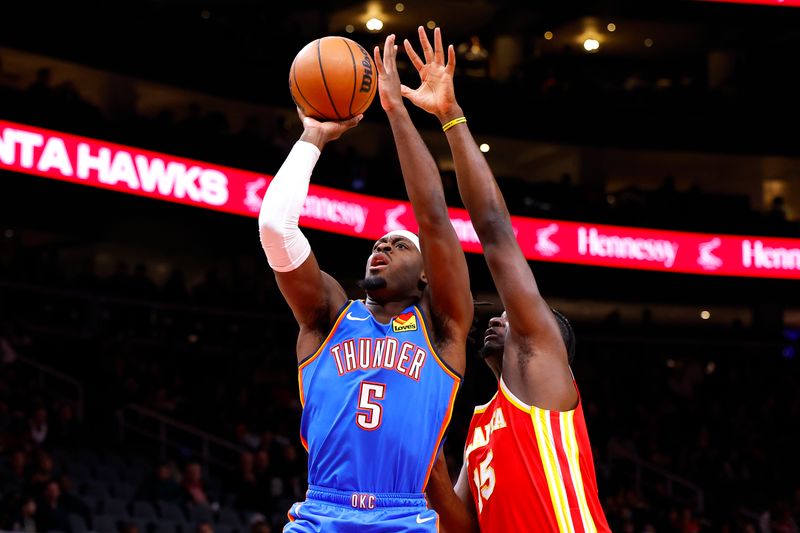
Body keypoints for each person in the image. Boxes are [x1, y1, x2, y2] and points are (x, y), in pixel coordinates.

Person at [257, 33, 473, 532]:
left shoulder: (443, 331)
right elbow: (275, 227)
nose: (381, 247)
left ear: (424, 277)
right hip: (320, 513)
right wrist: (313, 135)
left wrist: (396, 109)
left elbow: (435, 219)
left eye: (398, 246)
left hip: (404, 515)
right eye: (378, 243)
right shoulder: (330, 313)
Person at [400, 27, 612, 532]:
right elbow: (461, 525)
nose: (500, 318)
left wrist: (450, 118)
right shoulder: (478, 428)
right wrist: (429, 463)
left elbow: (494, 233)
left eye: (513, 318)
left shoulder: (543, 369)